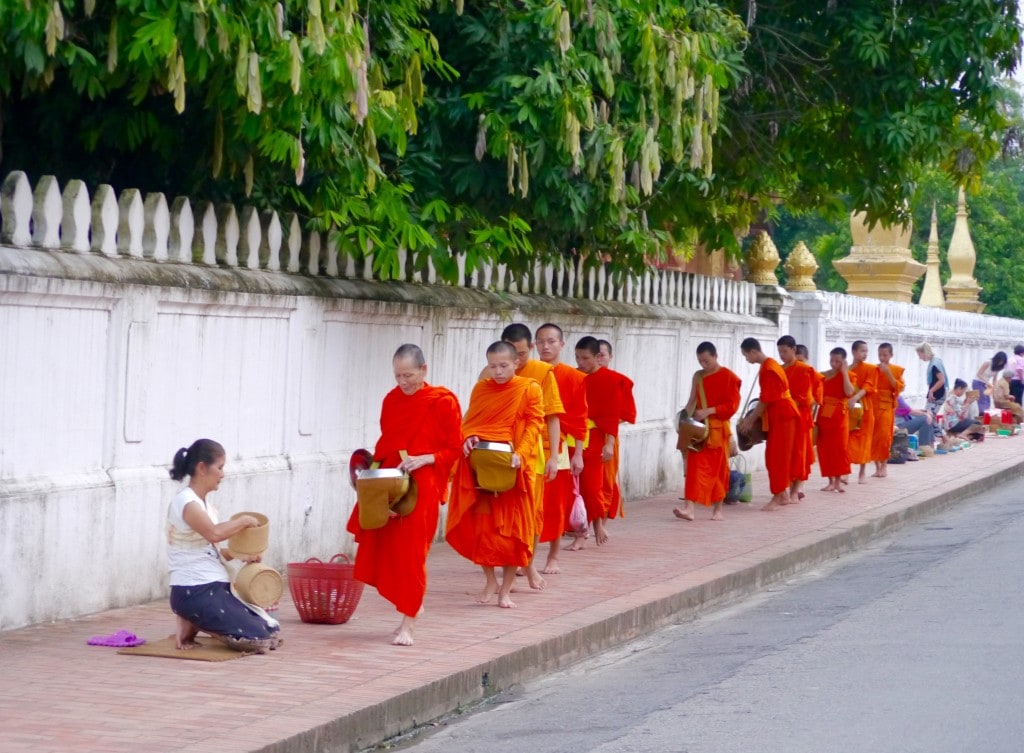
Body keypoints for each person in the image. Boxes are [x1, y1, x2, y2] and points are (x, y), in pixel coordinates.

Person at [345, 344, 463, 645]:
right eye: (398, 376)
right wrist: (372, 482)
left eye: (409, 375)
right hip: (391, 480)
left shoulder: (443, 402)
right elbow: (386, 442)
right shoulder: (391, 400)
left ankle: (409, 622)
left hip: (423, 484)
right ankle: (411, 607)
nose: (403, 382)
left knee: (412, 555)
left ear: (424, 370)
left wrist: (427, 458)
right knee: (387, 548)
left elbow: (453, 449)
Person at [446, 341, 545, 609]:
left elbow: (535, 424)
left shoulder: (529, 389)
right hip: (483, 467)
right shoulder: (482, 388)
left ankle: (506, 590)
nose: (498, 372)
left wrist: (522, 454)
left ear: (516, 363)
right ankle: (490, 580)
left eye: (504, 366)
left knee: (514, 534)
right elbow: (471, 422)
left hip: (514, 468)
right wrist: (469, 437)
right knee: (484, 530)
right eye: (493, 366)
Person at [167, 438, 282, 652]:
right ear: (202, 468)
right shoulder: (186, 502)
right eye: (219, 468)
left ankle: (195, 621)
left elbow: (213, 550)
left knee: (270, 629)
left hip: (214, 586)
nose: (222, 474)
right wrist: (243, 521)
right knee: (257, 639)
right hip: (194, 589)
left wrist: (242, 555)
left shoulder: (206, 507)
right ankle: (193, 619)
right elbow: (214, 533)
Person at [494, 323, 564, 591]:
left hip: (531, 452)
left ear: (530, 348)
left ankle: (528, 562)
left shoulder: (542, 373)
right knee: (501, 514)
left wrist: (554, 456)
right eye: (513, 353)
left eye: (522, 354)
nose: (517, 360)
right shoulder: (491, 374)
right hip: (499, 453)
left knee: (529, 513)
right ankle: (506, 563)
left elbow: (552, 417)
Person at [535, 323, 588, 574]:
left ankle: (553, 556)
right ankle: (526, 558)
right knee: (530, 504)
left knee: (555, 504)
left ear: (562, 344)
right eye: (541, 341)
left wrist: (578, 452)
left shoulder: (574, 377)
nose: (546, 346)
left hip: (559, 447)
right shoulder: (528, 373)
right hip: (531, 444)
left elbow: (579, 416)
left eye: (551, 341)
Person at [673, 342, 741, 521]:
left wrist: (709, 411)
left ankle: (718, 510)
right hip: (698, 431)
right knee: (693, 469)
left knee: (719, 471)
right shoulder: (698, 376)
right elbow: (692, 401)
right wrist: (682, 423)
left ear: (715, 356)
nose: (703, 365)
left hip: (718, 430)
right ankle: (689, 509)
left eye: (706, 361)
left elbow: (731, 406)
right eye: (700, 361)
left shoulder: (729, 377)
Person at [738, 337, 802, 511]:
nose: (747, 359)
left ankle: (779, 495)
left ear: (753, 351)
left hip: (783, 415)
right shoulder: (771, 364)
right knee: (774, 456)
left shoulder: (769, 368)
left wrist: (750, 421)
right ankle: (782, 494)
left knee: (777, 458)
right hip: (780, 415)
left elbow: (766, 399)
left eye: (746, 356)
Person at [574, 336, 622, 545]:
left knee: (593, 487)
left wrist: (609, 443)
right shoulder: (575, 377)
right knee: (575, 487)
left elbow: (613, 414)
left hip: (596, 438)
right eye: (577, 358)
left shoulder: (609, 380)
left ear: (597, 357)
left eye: (585, 358)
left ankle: (598, 525)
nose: (581, 363)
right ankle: (580, 533)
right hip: (573, 437)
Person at [596, 339, 637, 519]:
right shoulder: (580, 377)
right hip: (582, 437)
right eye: (594, 356)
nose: (598, 360)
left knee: (605, 479)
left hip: (606, 435)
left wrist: (604, 421)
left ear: (610, 357)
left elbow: (627, 413)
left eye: (602, 356)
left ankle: (602, 517)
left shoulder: (619, 381)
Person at [778, 335, 815, 502]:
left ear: (793, 349)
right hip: (782, 418)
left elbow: (808, 398)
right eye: (779, 351)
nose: (782, 355)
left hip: (800, 417)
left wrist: (788, 399)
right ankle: (784, 489)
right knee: (783, 455)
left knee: (799, 455)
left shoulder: (804, 370)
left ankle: (795, 490)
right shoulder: (778, 370)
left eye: (784, 351)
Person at [816, 348, 856, 492]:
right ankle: (830, 481)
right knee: (825, 448)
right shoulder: (822, 375)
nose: (834, 364)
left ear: (844, 361)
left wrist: (844, 372)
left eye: (838, 361)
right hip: (823, 415)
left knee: (839, 448)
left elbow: (849, 392)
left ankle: (838, 481)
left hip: (839, 416)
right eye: (832, 360)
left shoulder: (848, 375)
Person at [870, 343, 905, 478]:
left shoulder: (896, 370)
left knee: (884, 437)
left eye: (885, 355)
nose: (882, 358)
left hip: (886, 406)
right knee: (873, 437)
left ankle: (884, 466)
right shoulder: (874, 369)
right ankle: (877, 467)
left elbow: (899, 388)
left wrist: (888, 373)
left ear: (891, 355)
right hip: (873, 405)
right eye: (880, 355)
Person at [846, 340, 878, 484]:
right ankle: (845, 471)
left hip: (864, 407)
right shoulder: (846, 369)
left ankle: (862, 472)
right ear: (853, 351)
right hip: (849, 408)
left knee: (864, 440)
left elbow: (869, 386)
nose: (864, 354)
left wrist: (856, 397)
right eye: (862, 351)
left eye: (866, 351)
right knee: (847, 440)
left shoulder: (870, 369)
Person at [916, 342, 948, 414]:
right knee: (928, 416)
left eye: (919, 354)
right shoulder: (936, 361)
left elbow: (942, 380)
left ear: (924, 352)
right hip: (937, 393)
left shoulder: (934, 364)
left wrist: (931, 391)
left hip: (937, 394)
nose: (919, 357)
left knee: (928, 416)